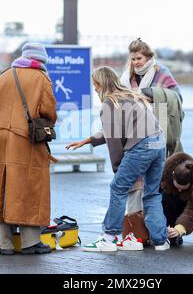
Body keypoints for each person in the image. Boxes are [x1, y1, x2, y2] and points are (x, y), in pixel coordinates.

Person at [66, 66, 170, 252]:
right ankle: (161, 241)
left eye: (95, 85)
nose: (95, 88)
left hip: (141, 146)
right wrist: (89, 140)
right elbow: (115, 130)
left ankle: (109, 238)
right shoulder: (131, 96)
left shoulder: (109, 103)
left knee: (118, 187)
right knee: (152, 193)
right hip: (159, 143)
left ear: (102, 84)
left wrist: (118, 169)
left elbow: (114, 142)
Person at [0, 42, 57, 255]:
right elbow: (48, 111)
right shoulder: (41, 78)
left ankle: (2, 243)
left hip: (0, 140)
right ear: (41, 60)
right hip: (26, 141)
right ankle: (30, 242)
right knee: (30, 187)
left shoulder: (4, 76)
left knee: (1, 187)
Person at [120, 38, 184, 215]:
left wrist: (153, 93)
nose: (136, 63)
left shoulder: (161, 72)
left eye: (139, 58)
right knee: (134, 184)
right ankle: (135, 227)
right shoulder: (126, 76)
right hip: (133, 136)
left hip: (158, 135)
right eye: (133, 59)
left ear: (149, 57)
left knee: (156, 184)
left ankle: (159, 226)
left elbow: (177, 98)